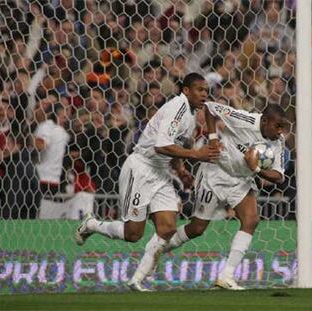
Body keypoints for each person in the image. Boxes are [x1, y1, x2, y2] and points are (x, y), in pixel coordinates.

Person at [74, 73, 220, 291]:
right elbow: (161, 146)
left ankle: (137, 279)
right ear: (186, 90)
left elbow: (175, 145)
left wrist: (180, 170)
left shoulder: (190, 114)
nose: (204, 94)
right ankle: (92, 224)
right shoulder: (176, 109)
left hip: (160, 173)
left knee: (168, 227)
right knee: (133, 234)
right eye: (199, 90)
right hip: (140, 168)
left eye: (206, 91)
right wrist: (196, 154)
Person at [153, 102, 287, 290]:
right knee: (197, 228)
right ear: (264, 121)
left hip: (240, 181)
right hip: (215, 174)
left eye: (283, 127)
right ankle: (158, 250)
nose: (280, 131)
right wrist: (213, 137)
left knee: (251, 220)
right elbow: (209, 108)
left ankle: (226, 276)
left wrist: (255, 168)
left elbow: (279, 176)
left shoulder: (277, 142)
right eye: (277, 126)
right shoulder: (244, 119)